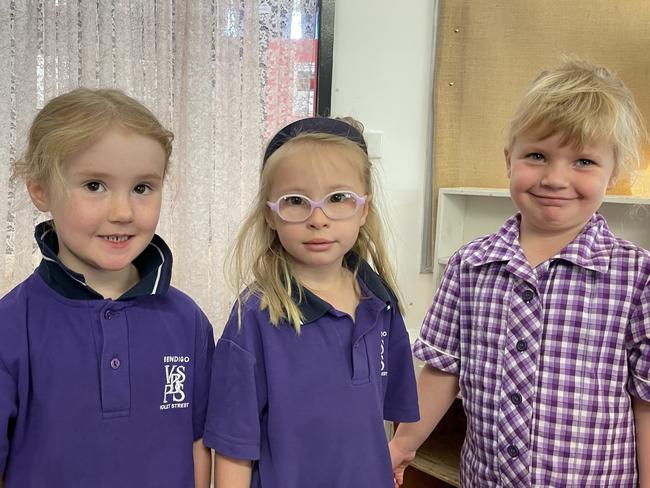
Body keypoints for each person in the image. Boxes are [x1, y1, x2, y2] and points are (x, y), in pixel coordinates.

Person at [390, 58, 650, 487]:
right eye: (537, 155)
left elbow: (645, 400)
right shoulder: (469, 266)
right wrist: (401, 447)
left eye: (583, 162)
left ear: (615, 173)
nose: (555, 178)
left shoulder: (637, 277)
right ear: (509, 159)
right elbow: (441, 371)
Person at [0, 88, 214, 488]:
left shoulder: (189, 323)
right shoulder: (10, 327)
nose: (122, 212)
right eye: (95, 185)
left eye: (142, 188)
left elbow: (198, 443)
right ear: (40, 189)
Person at [203, 117, 419, 488]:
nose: (317, 219)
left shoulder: (381, 304)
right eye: (296, 202)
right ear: (271, 213)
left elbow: (392, 419)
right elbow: (233, 452)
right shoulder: (253, 319)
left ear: (364, 208)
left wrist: (395, 455)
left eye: (338, 199)